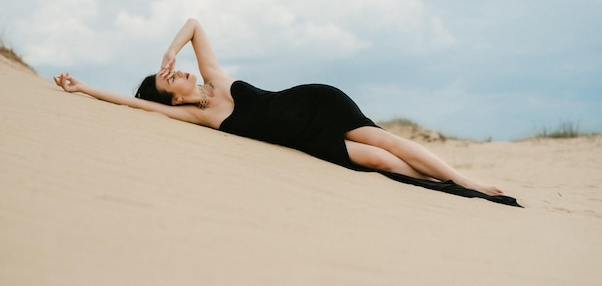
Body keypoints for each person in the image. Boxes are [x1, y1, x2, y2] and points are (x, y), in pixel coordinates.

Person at [54, 18, 506, 198]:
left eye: (175, 70)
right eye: (173, 79)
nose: (181, 73)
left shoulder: (213, 77)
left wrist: (170, 52)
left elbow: (193, 24)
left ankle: (469, 182)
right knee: (384, 162)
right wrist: (84, 88)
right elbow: (132, 104)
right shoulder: (196, 115)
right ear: (172, 98)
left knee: (386, 140)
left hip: (318, 102)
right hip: (308, 140)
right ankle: (449, 188)